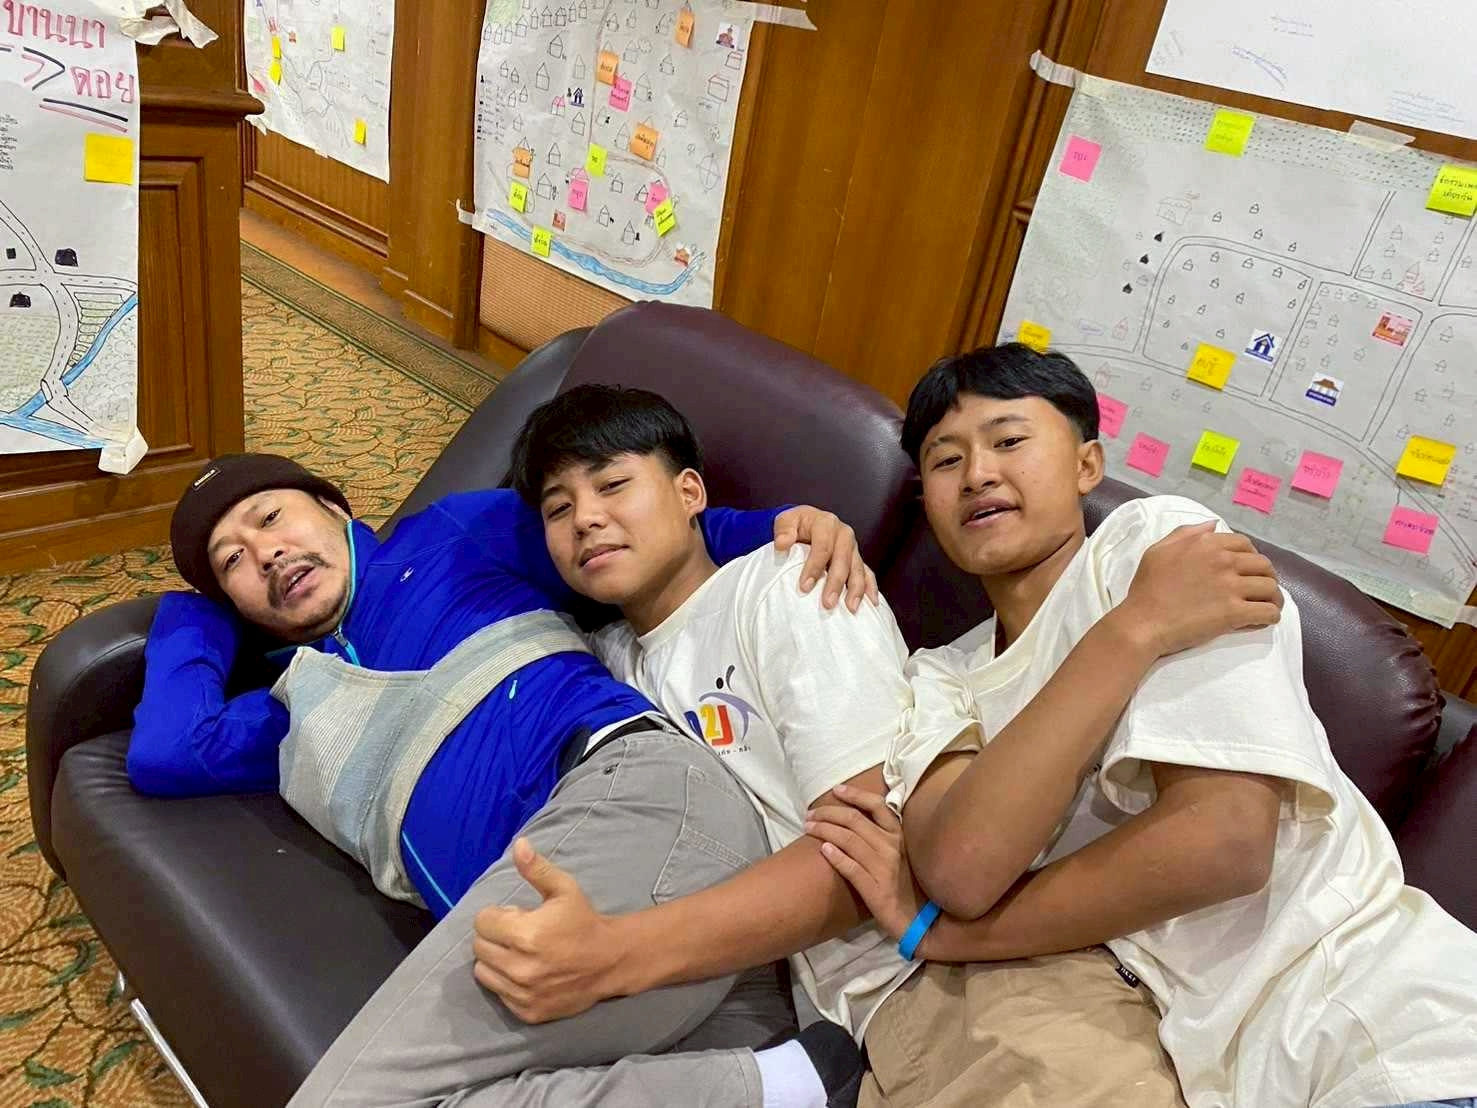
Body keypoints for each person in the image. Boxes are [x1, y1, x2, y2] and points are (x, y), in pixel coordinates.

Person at [451, 383, 1281, 1108]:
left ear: (690, 490)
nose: (586, 518)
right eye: (556, 509)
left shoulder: (793, 583)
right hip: (841, 1018)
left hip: (963, 985)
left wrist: (615, 958)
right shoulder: (604, 667)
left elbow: (866, 850)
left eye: (611, 485)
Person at [807, 343, 1477, 1108]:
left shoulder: (1156, 545)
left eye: (1009, 439)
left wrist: (953, 940)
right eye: (944, 459)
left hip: (1393, 1037)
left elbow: (1223, 843)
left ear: (1086, 464)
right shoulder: (939, 676)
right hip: (1221, 1063)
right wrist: (1132, 634)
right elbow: (961, 871)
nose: (978, 474)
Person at [131, 452, 877, 1108]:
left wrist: (783, 528)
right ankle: (791, 1080)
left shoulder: (451, 536)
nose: (265, 554)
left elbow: (638, 541)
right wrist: (192, 615)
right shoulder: (295, 705)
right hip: (573, 933)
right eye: (232, 562)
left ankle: (787, 1085)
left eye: (270, 518)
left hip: (626, 798)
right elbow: (170, 750)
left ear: (334, 507)